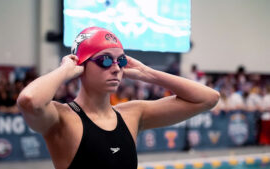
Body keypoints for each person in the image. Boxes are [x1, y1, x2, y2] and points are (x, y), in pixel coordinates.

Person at [17, 27, 220, 169]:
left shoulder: (132, 114)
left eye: (120, 60)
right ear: (81, 66)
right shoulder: (62, 119)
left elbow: (208, 98)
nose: (115, 68)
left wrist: (148, 73)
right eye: (105, 60)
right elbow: (29, 100)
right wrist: (65, 70)